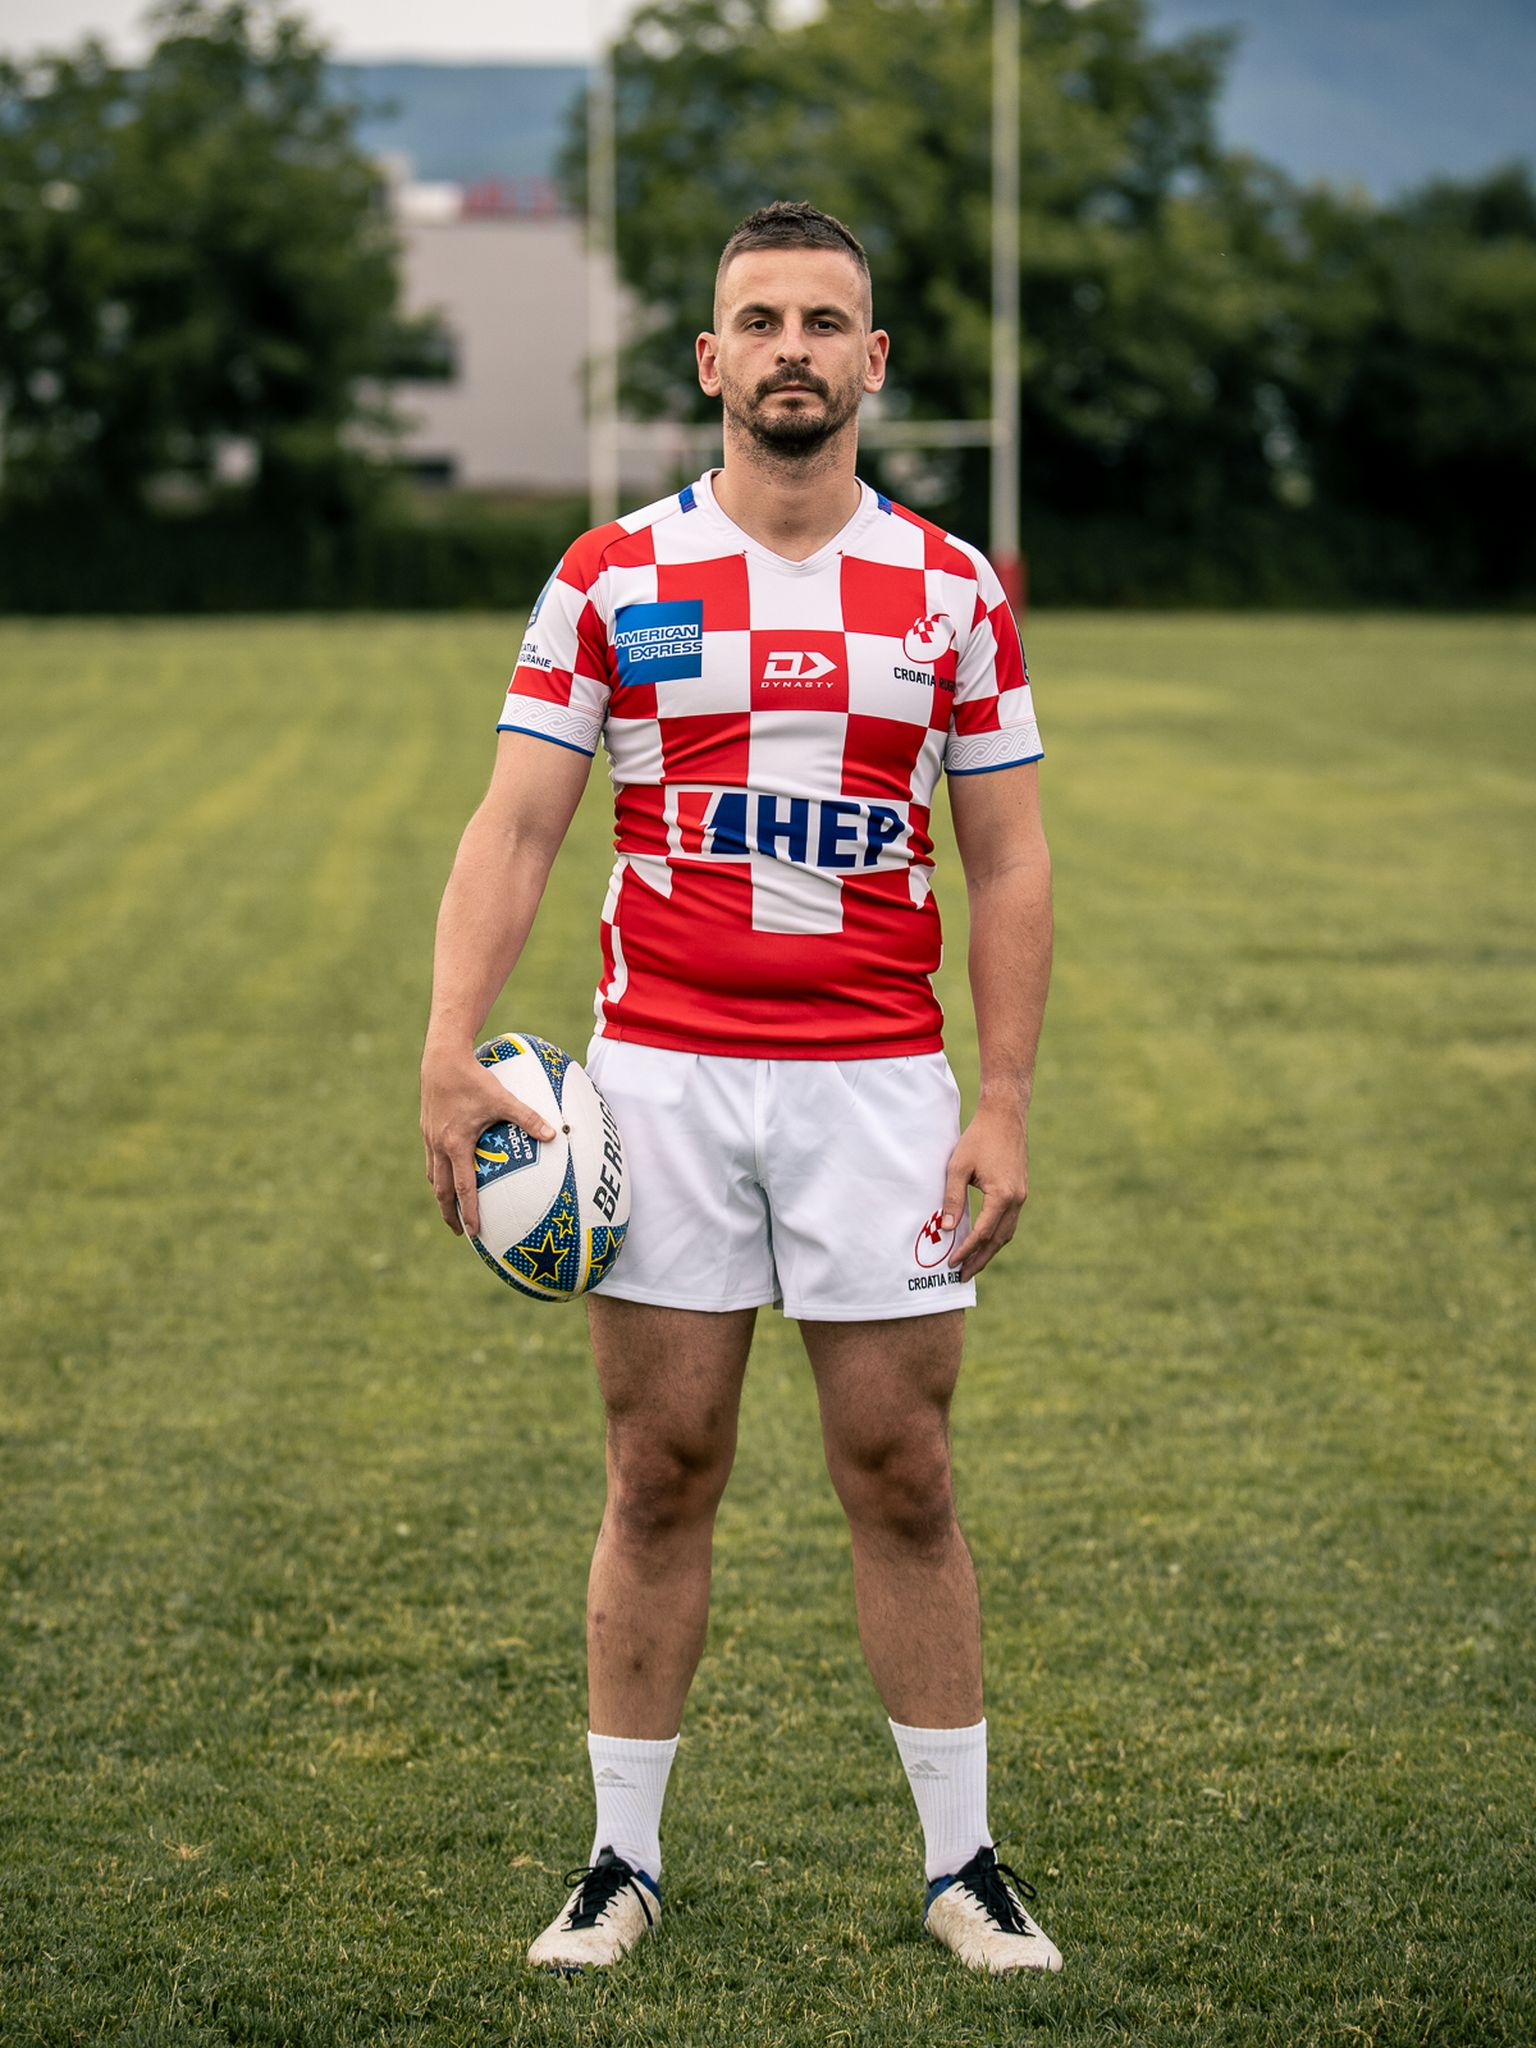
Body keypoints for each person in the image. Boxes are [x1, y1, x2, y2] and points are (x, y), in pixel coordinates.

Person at [419, 201, 1057, 1977]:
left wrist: (1002, 1098)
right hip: (665, 1090)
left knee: (903, 1471)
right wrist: (448, 1040)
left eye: (823, 322)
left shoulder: (951, 589)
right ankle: (618, 1865)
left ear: (872, 360)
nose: (791, 350)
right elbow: (517, 826)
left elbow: (1007, 861)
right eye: (760, 321)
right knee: (661, 1465)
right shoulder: (611, 575)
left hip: (877, 1089)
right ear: (710, 360)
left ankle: (964, 1865)